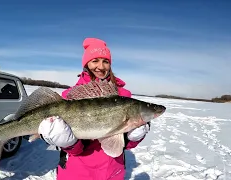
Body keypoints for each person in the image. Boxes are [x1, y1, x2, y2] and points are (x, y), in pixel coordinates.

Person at [38, 37, 150, 180]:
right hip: (76, 171)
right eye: (95, 61)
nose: (101, 67)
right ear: (86, 64)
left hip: (112, 170)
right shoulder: (69, 97)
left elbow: (125, 146)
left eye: (106, 61)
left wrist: (134, 138)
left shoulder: (124, 96)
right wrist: (68, 144)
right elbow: (72, 149)